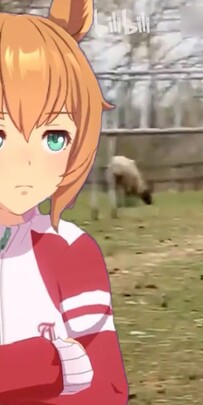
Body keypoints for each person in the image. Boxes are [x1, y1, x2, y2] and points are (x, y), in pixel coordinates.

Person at [0, 0, 128, 403]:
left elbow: (107, 387)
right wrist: (42, 362)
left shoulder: (69, 252)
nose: (26, 163)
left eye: (54, 138)